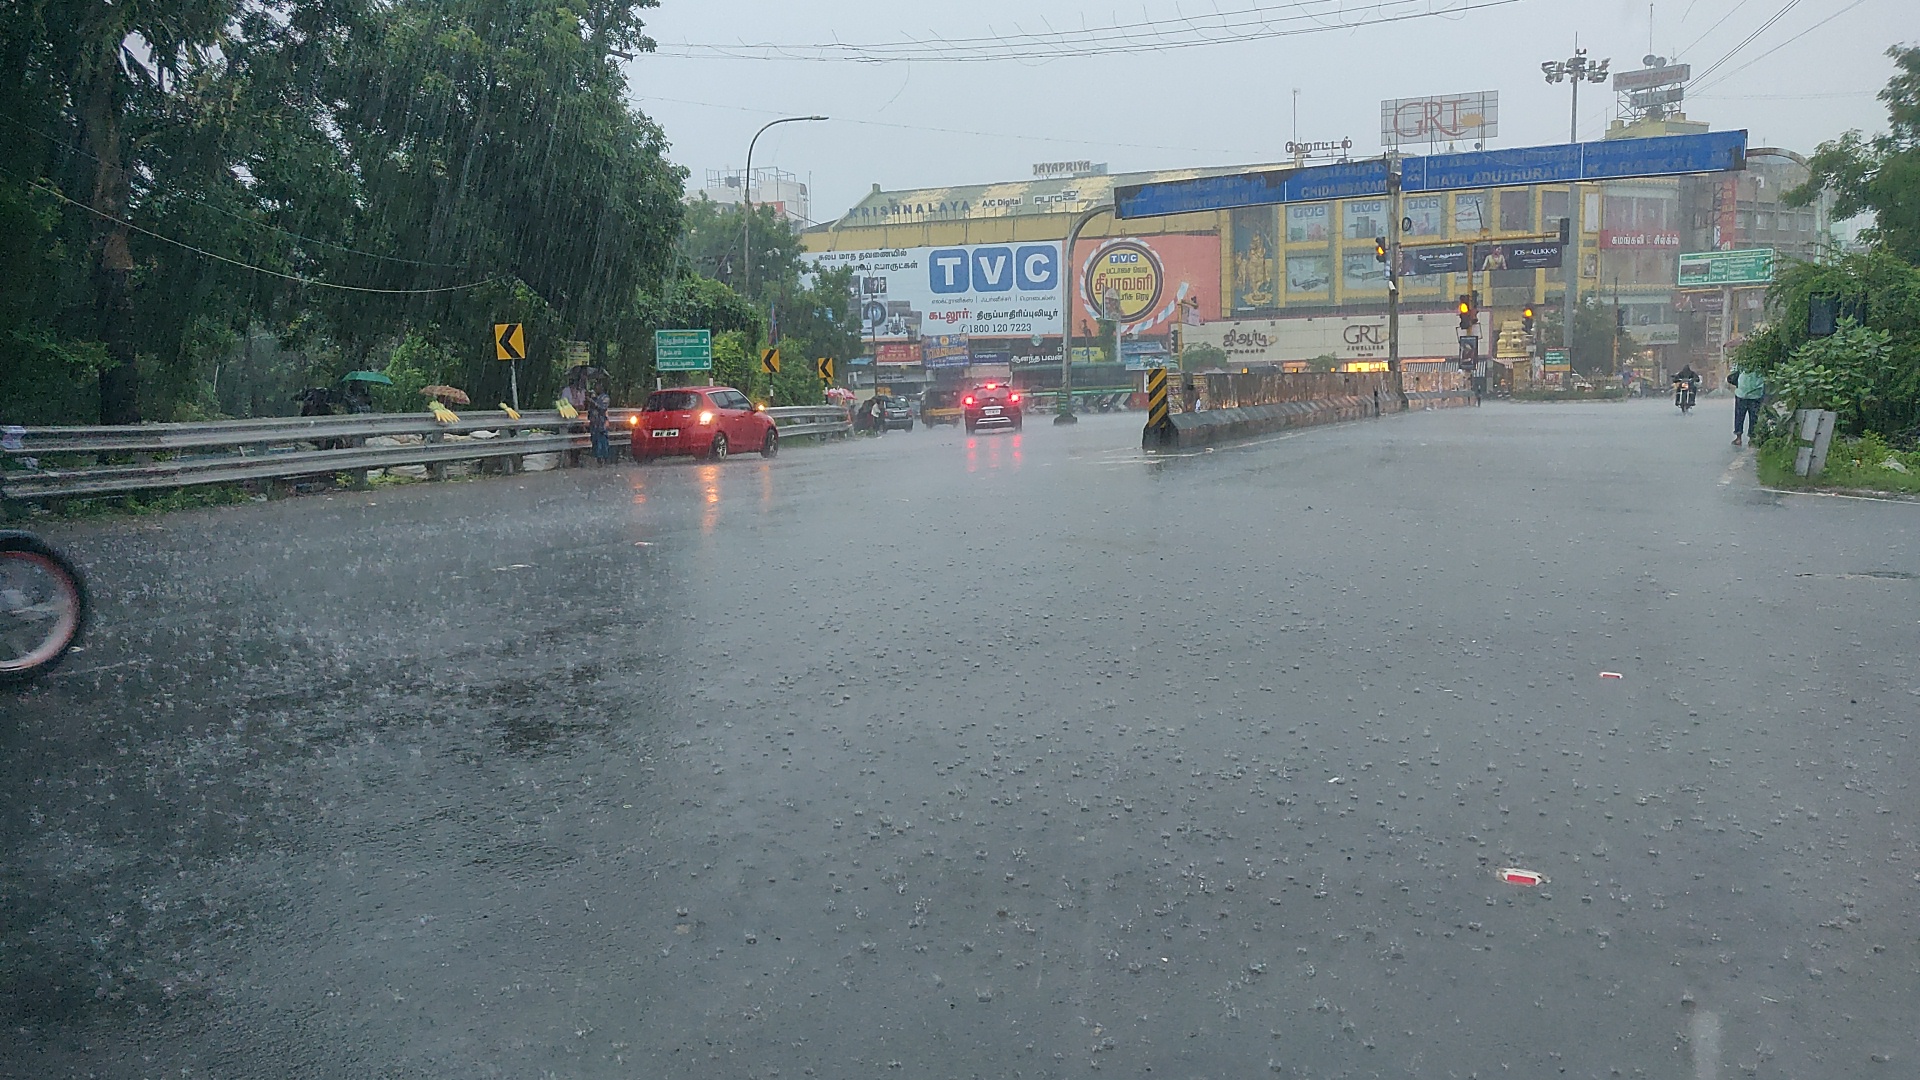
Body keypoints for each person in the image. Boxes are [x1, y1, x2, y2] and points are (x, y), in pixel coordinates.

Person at [1731, 364, 1766, 446]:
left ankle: (1738, 438)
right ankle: (1752, 438)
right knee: (1754, 417)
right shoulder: (1761, 363)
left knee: (1739, 416)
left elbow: (1733, 372)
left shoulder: (1742, 362)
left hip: (1742, 393)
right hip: (1756, 394)